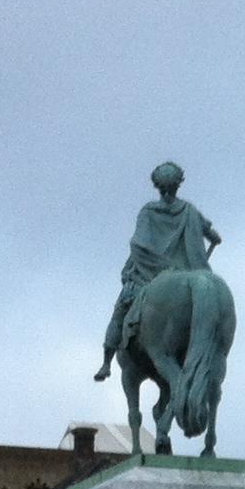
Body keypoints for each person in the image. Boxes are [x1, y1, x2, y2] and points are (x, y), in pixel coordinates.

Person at [96, 161, 223, 381]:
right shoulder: (189, 210)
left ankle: (106, 363)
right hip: (186, 273)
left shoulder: (148, 211)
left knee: (120, 312)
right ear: (178, 184)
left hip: (147, 275)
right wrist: (213, 238)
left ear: (157, 185)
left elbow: (139, 244)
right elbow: (212, 234)